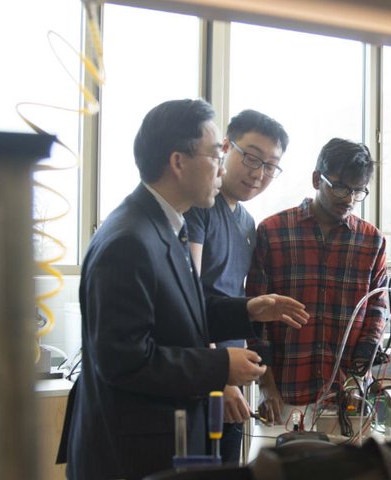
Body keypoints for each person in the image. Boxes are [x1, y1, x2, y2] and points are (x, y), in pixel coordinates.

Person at [60, 99, 309, 480]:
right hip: (130, 454)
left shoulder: (164, 226)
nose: (221, 168)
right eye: (216, 156)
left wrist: (246, 310)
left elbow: (180, 315)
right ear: (178, 162)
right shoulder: (128, 241)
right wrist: (221, 366)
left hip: (163, 442)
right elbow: (125, 360)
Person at [248, 138, 388, 425]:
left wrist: (358, 372)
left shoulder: (371, 240)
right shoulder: (273, 232)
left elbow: (377, 309)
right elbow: (255, 320)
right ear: (316, 179)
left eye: (357, 191)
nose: (348, 199)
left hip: (346, 396)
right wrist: (266, 385)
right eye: (339, 187)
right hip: (285, 394)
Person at [183, 109, 288, 464]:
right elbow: (190, 297)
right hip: (204, 370)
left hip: (233, 372)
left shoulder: (247, 222)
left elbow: (236, 298)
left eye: (270, 166)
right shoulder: (199, 208)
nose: (258, 173)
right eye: (252, 158)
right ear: (226, 147)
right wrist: (220, 379)